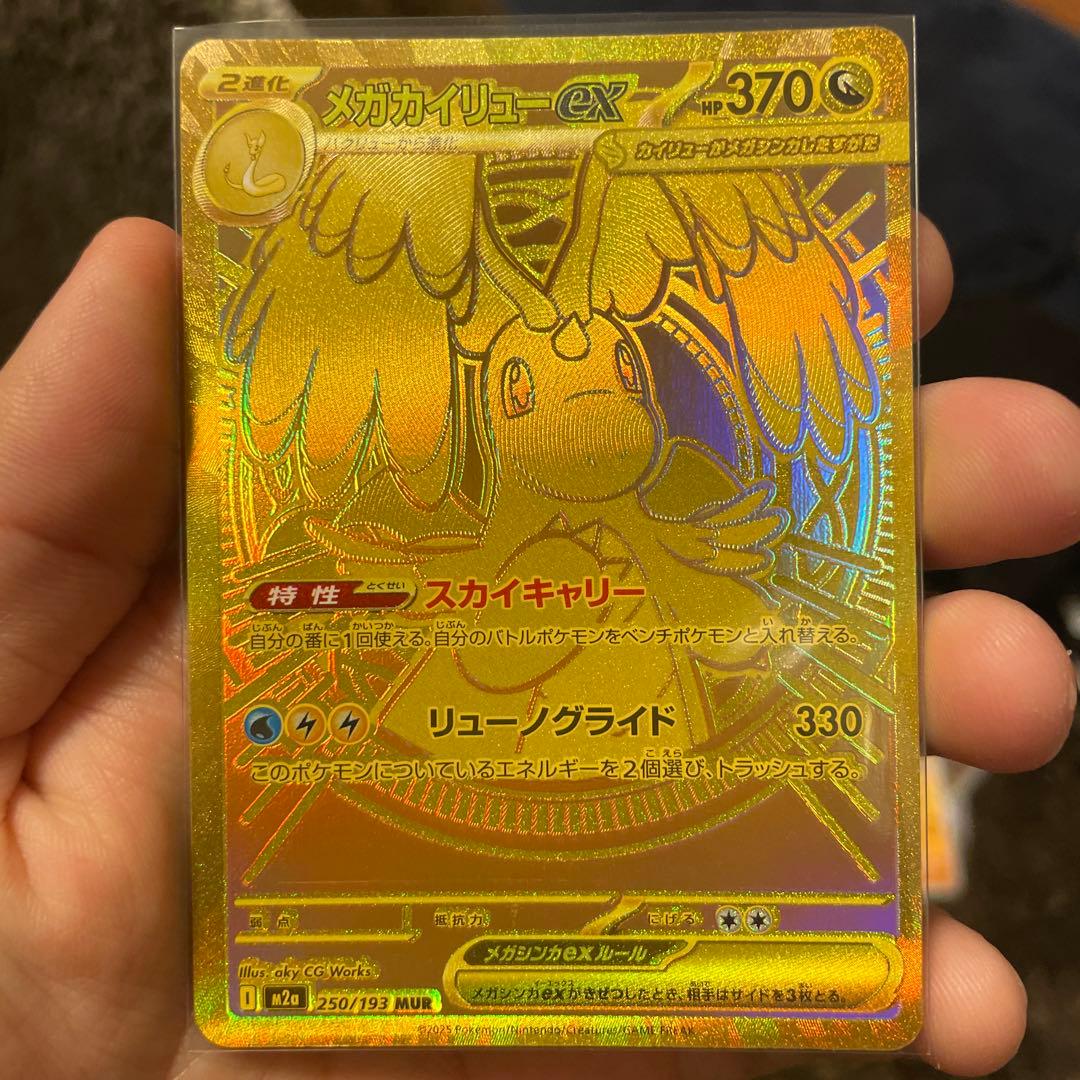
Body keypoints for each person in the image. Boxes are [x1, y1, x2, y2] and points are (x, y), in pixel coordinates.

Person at [0, 215, 1076, 1080]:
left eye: (621, 379)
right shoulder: (481, 570)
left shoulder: (676, 539)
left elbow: (742, 632)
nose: (597, 395)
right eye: (541, 385)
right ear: (502, 405)